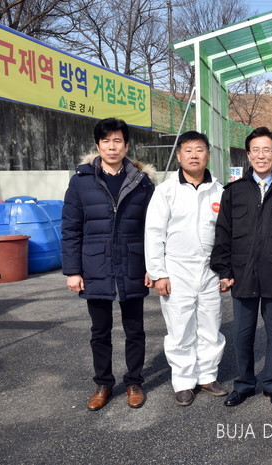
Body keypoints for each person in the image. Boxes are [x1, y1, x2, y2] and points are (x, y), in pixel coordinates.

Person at [62, 117, 155, 411]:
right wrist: (73, 271)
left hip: (132, 263)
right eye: (106, 141)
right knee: (99, 331)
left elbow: (153, 229)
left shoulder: (142, 183)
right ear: (98, 145)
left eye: (117, 141)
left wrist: (153, 266)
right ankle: (103, 384)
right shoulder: (81, 182)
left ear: (126, 146)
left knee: (135, 330)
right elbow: (71, 228)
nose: (112, 147)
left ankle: (134, 382)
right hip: (95, 266)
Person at [210, 126, 272, 408]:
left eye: (267, 150)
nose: (261, 155)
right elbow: (223, 234)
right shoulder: (234, 191)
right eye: (255, 150)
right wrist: (224, 271)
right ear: (248, 154)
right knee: (242, 334)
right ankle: (243, 384)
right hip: (242, 273)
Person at [144, 131, 229, 406]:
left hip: (209, 270)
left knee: (210, 326)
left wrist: (226, 272)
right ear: (179, 155)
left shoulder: (219, 191)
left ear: (208, 155)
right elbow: (154, 233)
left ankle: (207, 376)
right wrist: (158, 273)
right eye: (188, 150)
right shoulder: (166, 191)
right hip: (176, 269)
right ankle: (183, 382)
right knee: (180, 329)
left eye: (200, 150)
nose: (194, 155)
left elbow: (227, 236)